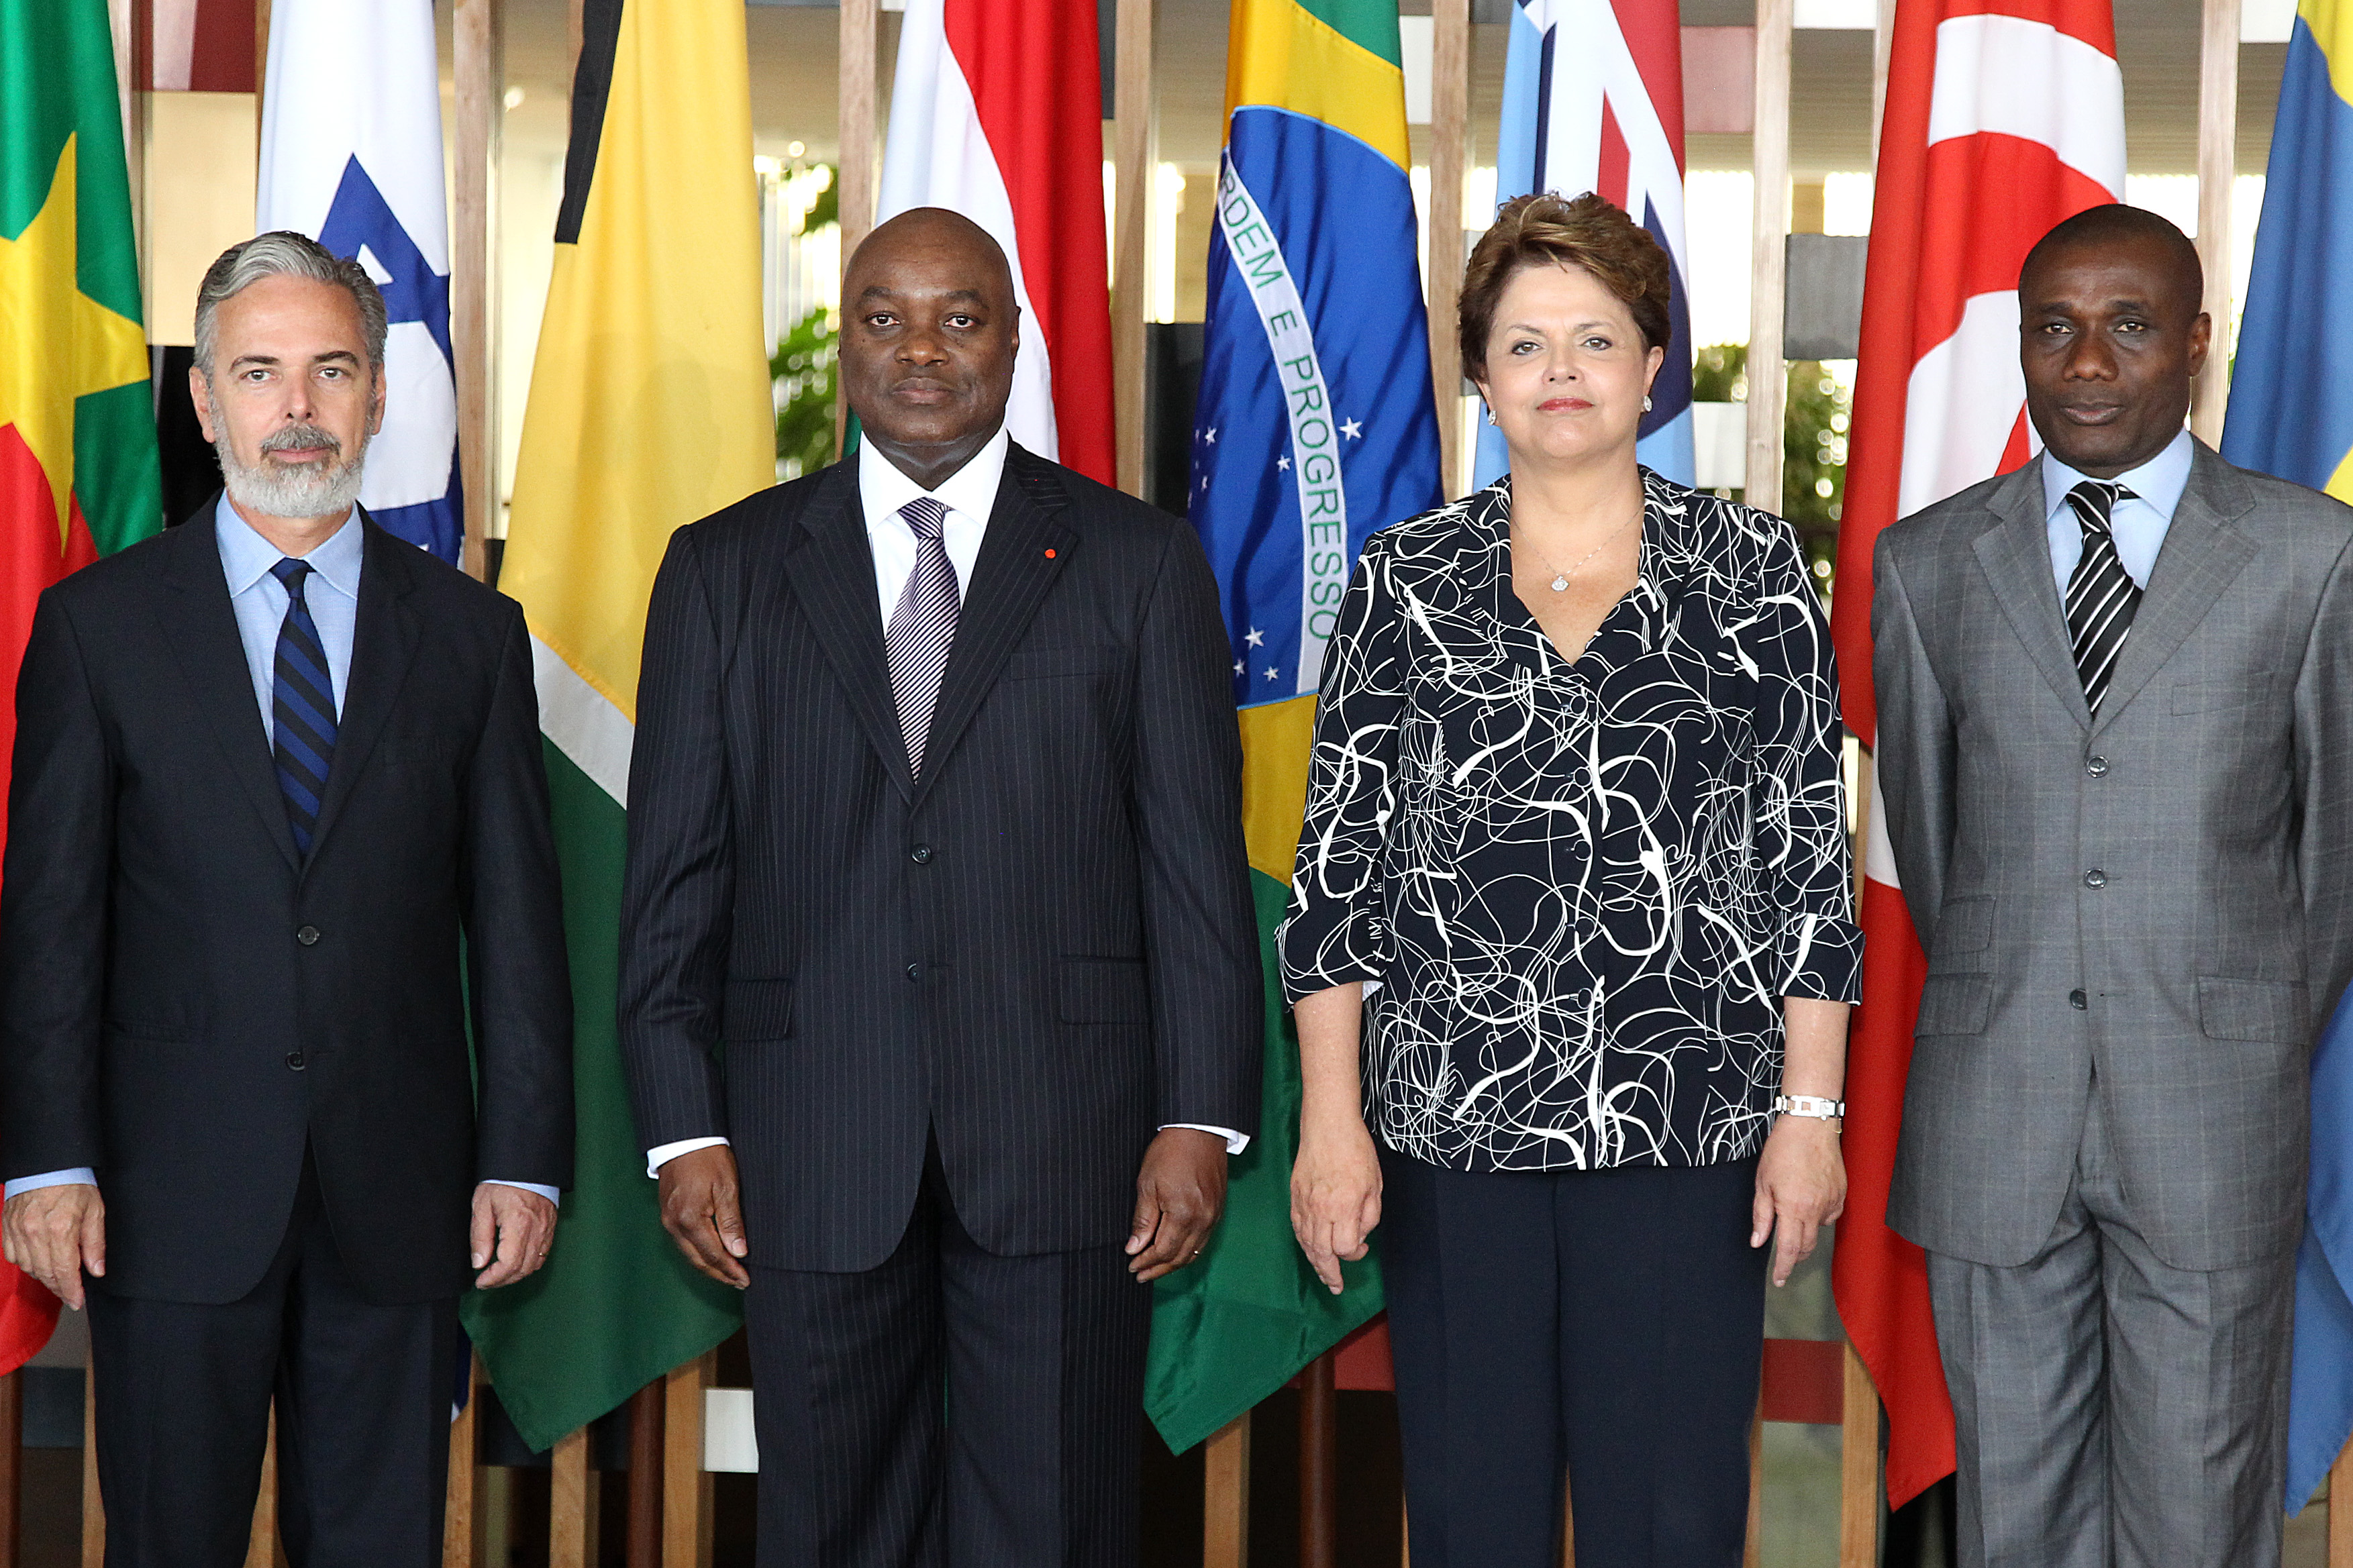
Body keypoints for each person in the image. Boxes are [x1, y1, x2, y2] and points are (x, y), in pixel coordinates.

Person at [618, 206, 1260, 1568]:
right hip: (803, 1150)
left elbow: (1193, 874)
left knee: (1055, 1527)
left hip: (1068, 1146)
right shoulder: (722, 570)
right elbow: (671, 883)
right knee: (829, 1528)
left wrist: (1200, 1115)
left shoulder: (1135, 564)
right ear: (843, 339)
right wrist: (683, 1131)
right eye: (884, 316)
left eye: (960, 316)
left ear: (1014, 340)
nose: (921, 348)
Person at [1282, 191, 1862, 1568]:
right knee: (1471, 1518)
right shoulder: (1403, 580)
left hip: (1687, 1133)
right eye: (1526, 343)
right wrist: (1327, 1120)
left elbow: (1804, 870)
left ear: (1653, 364)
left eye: (1594, 339)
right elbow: (1338, 872)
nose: (1561, 374)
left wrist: (1808, 1113)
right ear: (1480, 373)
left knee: (1667, 1523)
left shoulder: (1754, 572)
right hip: (1447, 1137)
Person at [0, 231, 573, 1565]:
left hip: (403, 1191)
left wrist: (524, 1153)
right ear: (204, 401)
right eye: (258, 372)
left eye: (330, 369)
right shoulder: (99, 628)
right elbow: (52, 922)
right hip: (164, 1195)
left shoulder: (472, 634)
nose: (296, 407)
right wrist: (46, 1154)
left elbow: (518, 925)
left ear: (380, 394)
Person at [1872, 204, 2353, 1568]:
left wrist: (2229, 1022)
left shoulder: (2311, 558)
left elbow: (2331, 868)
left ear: (2194, 344)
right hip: (1994, 1121)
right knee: (2015, 1520)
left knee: (2200, 1520)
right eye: (2053, 327)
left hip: (2209, 1119)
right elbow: (1937, 842)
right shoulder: (1924, 566)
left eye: (2128, 324)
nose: (2085, 359)